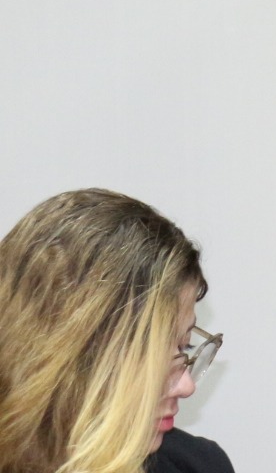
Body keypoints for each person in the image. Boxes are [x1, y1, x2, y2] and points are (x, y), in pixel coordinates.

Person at [0, 189, 229, 473]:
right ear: (63, 354)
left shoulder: (197, 464)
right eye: (152, 354)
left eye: (185, 346)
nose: (186, 386)